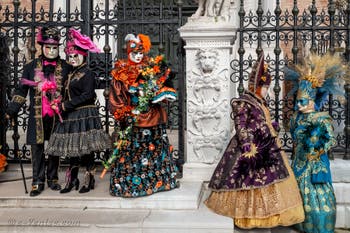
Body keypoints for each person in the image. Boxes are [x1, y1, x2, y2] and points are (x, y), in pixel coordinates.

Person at [204, 52, 305, 229]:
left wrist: (271, 124)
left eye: (267, 87)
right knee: (249, 180)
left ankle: (270, 214)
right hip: (251, 147)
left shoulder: (261, 101)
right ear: (257, 86)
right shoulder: (244, 101)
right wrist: (246, 144)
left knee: (271, 179)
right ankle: (249, 217)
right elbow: (241, 125)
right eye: (265, 86)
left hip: (266, 144)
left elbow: (262, 120)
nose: (267, 90)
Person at [108, 33, 178, 197]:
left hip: (152, 117)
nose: (138, 57)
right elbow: (116, 97)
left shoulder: (150, 68)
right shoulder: (121, 72)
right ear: (128, 52)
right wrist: (125, 113)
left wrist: (159, 94)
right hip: (134, 119)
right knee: (134, 153)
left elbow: (161, 88)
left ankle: (157, 182)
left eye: (141, 53)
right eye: (135, 53)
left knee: (154, 151)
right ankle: (133, 186)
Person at [6, 26, 71, 196]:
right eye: (48, 47)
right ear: (42, 47)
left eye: (54, 48)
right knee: (37, 148)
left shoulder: (66, 67)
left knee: (55, 148)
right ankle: (37, 181)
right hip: (37, 116)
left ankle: (53, 178)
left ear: (58, 48)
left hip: (58, 116)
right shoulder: (30, 67)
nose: (51, 51)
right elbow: (21, 91)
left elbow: (72, 91)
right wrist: (11, 110)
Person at [45, 28, 111, 194]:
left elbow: (88, 95)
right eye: (70, 57)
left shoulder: (88, 73)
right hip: (71, 115)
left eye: (76, 56)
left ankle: (89, 179)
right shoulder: (70, 74)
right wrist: (58, 101)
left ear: (83, 56)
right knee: (72, 148)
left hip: (84, 114)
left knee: (85, 149)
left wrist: (65, 105)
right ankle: (72, 180)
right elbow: (68, 93)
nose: (73, 59)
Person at [285, 53, 345, 233]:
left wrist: (317, 146)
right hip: (299, 161)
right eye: (298, 102)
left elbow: (330, 140)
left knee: (316, 193)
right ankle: (299, 222)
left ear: (313, 100)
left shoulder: (321, 118)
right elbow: (294, 134)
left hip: (314, 163)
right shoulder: (296, 117)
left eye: (304, 102)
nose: (299, 106)